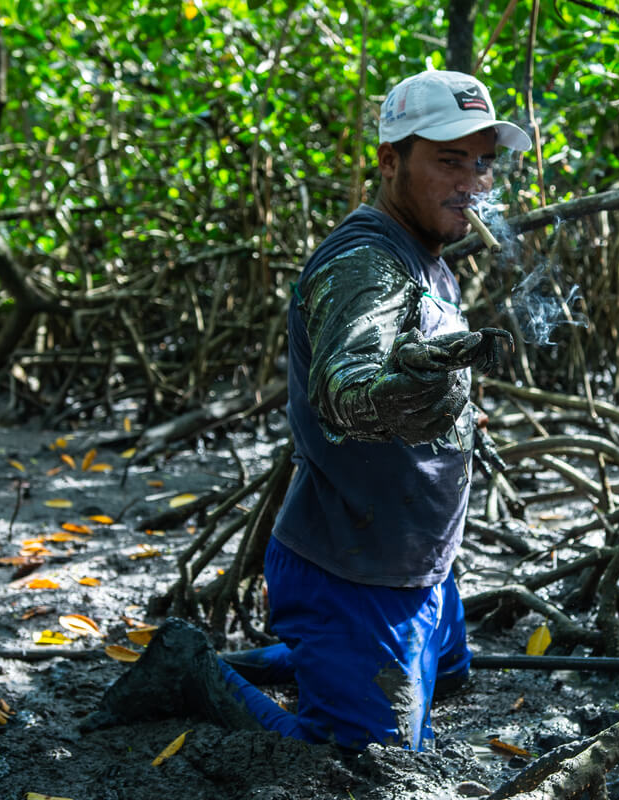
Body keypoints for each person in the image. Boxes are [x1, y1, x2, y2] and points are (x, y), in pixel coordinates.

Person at [79, 69, 532, 751]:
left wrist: (461, 412)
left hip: (421, 566)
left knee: (452, 679)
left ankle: (295, 662)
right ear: (389, 160)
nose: (473, 180)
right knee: (366, 757)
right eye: (447, 159)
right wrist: (410, 394)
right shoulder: (365, 265)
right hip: (354, 573)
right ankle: (193, 672)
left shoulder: (429, 257)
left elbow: (412, 363)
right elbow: (346, 388)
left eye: (482, 161)